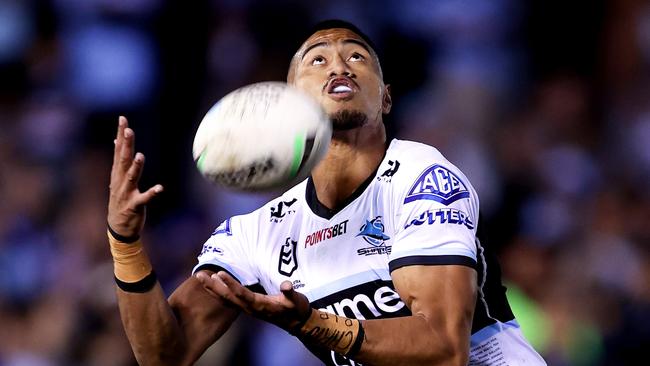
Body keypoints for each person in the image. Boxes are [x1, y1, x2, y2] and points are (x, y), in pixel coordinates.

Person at [106, 19, 546, 365]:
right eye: (317, 60)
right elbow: (166, 355)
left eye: (357, 57)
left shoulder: (422, 176)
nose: (338, 65)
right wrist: (125, 243)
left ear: (386, 98)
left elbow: (445, 348)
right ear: (290, 99)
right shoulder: (257, 232)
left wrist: (310, 322)